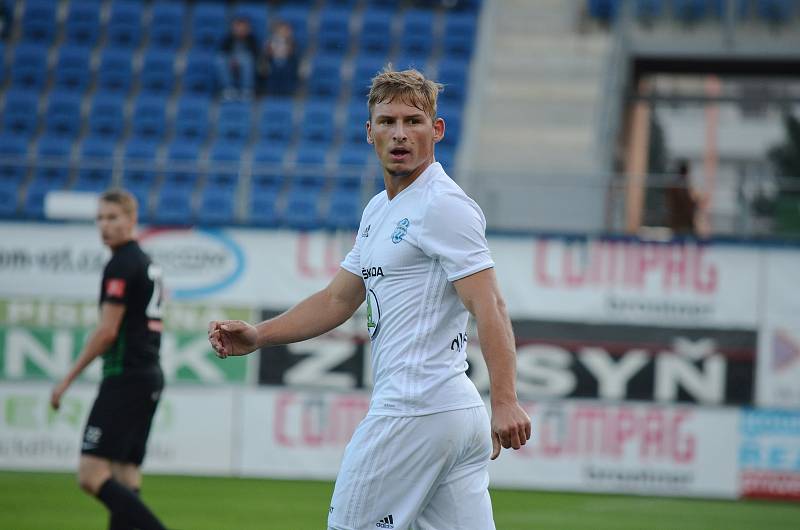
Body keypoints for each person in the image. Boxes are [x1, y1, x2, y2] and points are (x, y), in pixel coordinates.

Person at [208, 67, 531, 529]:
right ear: (369, 132)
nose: (400, 134)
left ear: (436, 130)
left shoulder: (442, 204)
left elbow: (490, 305)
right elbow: (338, 299)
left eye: (413, 121)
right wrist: (259, 335)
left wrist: (505, 399)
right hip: (449, 414)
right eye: (387, 122)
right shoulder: (380, 209)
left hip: (414, 410)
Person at [51, 189, 167, 530]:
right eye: (100, 218)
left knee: (90, 474)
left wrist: (67, 379)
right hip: (148, 375)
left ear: (131, 220)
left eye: (112, 217)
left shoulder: (120, 264)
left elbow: (106, 332)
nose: (104, 226)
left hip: (125, 375)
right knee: (125, 475)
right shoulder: (146, 262)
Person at [216, 15, 259, 100]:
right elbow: (222, 51)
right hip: (230, 61)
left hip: (246, 62)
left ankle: (246, 90)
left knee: (246, 59)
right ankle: (228, 90)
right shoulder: (228, 38)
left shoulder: (252, 39)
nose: (240, 30)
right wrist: (232, 60)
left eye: (243, 28)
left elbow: (255, 54)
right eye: (238, 27)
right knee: (219, 60)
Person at [258, 20, 299, 96]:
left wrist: (287, 47)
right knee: (272, 70)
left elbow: (291, 52)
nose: (283, 32)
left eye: (286, 30)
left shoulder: (291, 41)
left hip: (287, 62)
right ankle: (271, 93)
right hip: (273, 61)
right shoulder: (270, 40)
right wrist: (273, 53)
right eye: (281, 30)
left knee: (287, 69)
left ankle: (287, 93)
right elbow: (267, 52)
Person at [665, 159, 698, 235]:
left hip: (677, 220)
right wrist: (694, 204)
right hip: (682, 220)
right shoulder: (681, 185)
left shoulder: (675, 184)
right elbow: (686, 202)